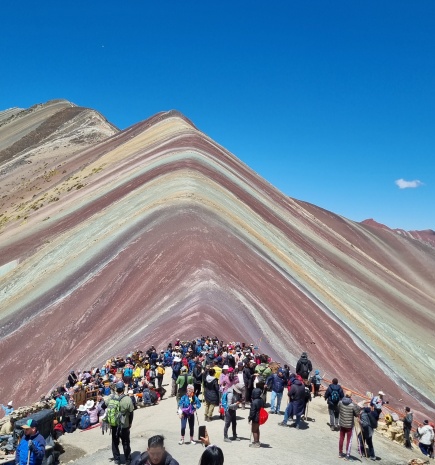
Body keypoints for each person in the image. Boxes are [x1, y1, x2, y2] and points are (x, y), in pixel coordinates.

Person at [108, 381, 135, 465]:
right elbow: (131, 413)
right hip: (124, 425)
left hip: (114, 425)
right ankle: (127, 460)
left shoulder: (112, 398)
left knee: (115, 442)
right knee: (126, 442)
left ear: (116, 389)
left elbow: (104, 405)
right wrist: (130, 423)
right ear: (123, 389)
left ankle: (117, 459)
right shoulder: (128, 399)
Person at [338, 391, 360, 460]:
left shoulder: (340, 402)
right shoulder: (352, 405)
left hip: (342, 423)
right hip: (349, 425)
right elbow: (357, 414)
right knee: (349, 440)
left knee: (341, 438)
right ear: (350, 396)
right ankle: (347, 455)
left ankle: (340, 453)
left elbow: (339, 409)